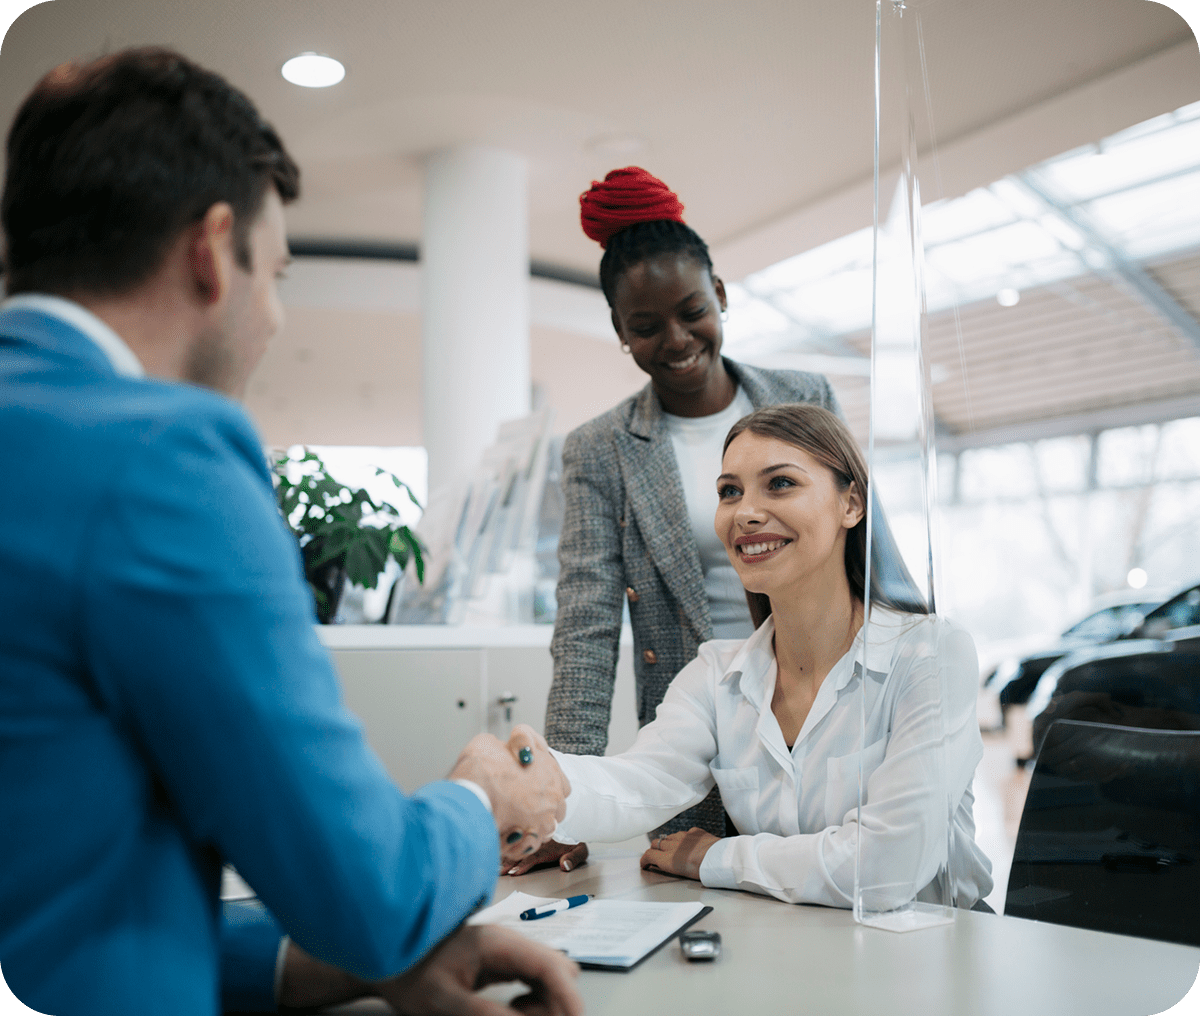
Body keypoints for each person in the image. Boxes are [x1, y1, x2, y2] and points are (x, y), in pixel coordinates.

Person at [0, 48, 580, 1016]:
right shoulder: (159, 457)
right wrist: (480, 797)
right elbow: (369, 892)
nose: (273, 315)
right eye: (273, 271)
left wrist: (324, 966)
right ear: (210, 248)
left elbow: (46, 916)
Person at [545, 403, 994, 910]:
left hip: (931, 956)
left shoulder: (931, 655)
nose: (745, 512)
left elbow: (886, 869)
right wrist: (528, 782)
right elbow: (635, 785)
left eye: (779, 484)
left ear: (852, 504)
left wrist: (715, 859)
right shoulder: (716, 674)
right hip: (797, 951)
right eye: (729, 491)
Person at [520, 167, 840, 874]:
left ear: (720, 295)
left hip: (820, 707)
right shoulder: (600, 449)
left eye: (692, 310)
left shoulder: (804, 397)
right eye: (645, 326)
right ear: (620, 333)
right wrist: (557, 802)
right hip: (692, 730)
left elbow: (861, 544)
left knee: (831, 884)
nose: (676, 338)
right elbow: (587, 628)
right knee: (703, 913)